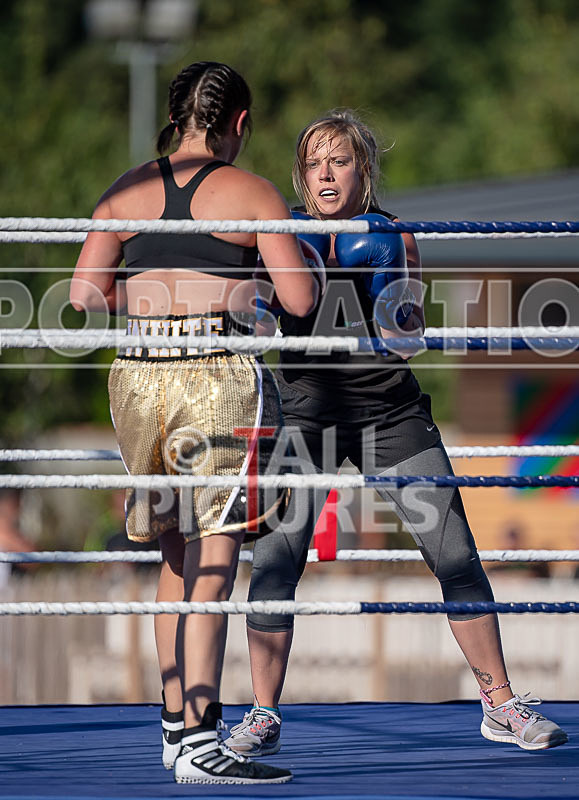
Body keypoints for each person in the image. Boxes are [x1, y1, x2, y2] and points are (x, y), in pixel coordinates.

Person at [225, 109, 568, 755]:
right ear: (300, 175)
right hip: (305, 413)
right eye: (313, 163)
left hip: (390, 414)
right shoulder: (276, 231)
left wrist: (393, 305)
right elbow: (255, 322)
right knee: (275, 562)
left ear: (363, 169)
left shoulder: (393, 235)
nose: (325, 174)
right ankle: (263, 713)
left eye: (339, 160)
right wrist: (255, 304)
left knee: (454, 554)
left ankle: (499, 705)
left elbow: (404, 336)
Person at [70, 61, 323, 785]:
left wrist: (160, 294)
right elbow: (300, 300)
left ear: (177, 114)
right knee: (214, 560)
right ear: (239, 123)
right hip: (214, 373)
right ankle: (201, 741)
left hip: (136, 375)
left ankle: (174, 729)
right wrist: (233, 288)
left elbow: (86, 295)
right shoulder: (251, 192)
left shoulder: (124, 191)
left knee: (174, 561)